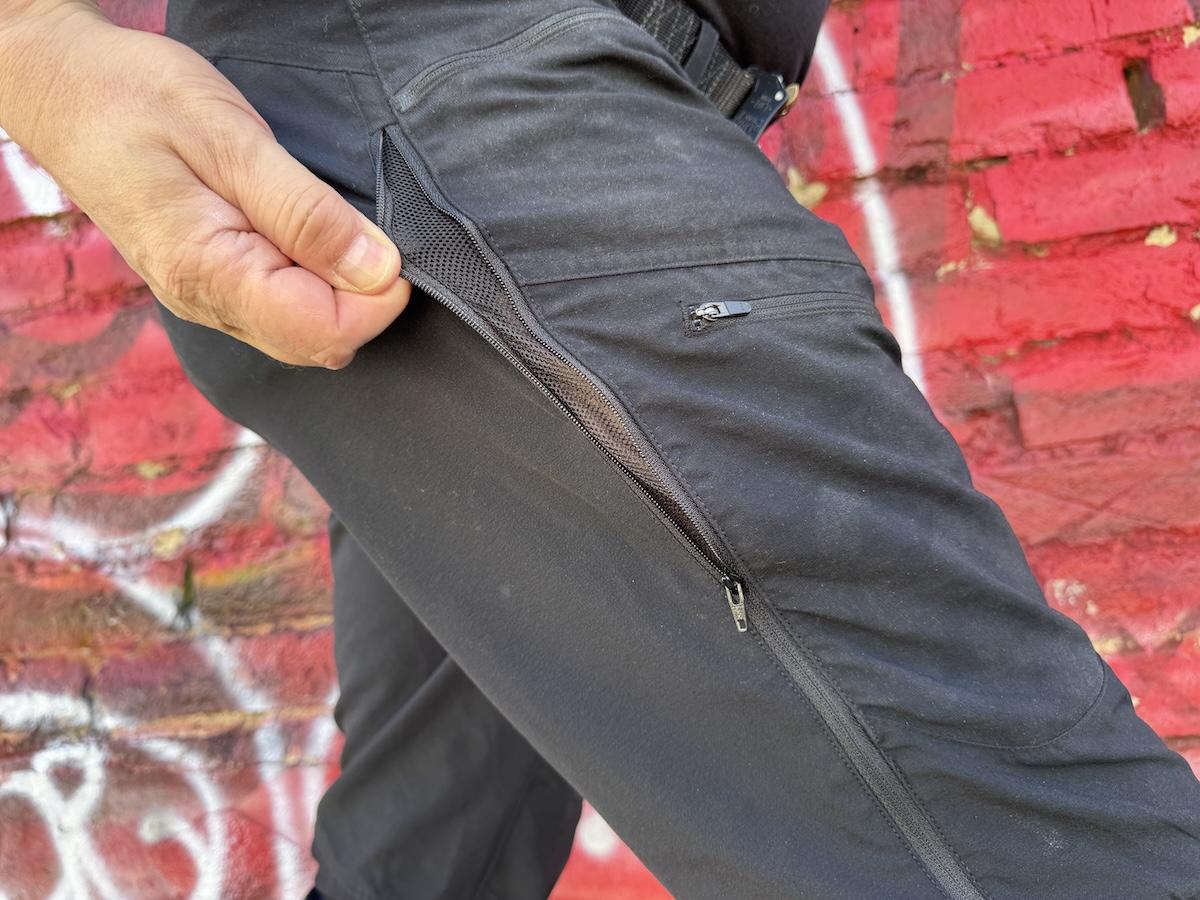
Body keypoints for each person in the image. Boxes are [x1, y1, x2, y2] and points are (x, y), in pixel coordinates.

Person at [2, 1, 1198, 897]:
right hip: (461, 111)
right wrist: (41, 58)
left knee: (431, 860)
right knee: (1028, 832)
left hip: (525, 114)